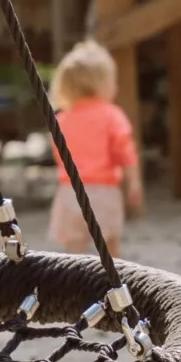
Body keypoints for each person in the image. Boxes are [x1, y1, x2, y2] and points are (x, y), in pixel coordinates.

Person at [45, 39, 141, 258]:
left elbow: (58, 154)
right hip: (104, 190)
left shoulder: (62, 119)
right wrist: (133, 181)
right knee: (110, 249)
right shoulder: (111, 115)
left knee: (74, 253)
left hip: (69, 191)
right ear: (102, 84)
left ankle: (76, 288)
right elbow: (125, 151)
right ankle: (113, 286)